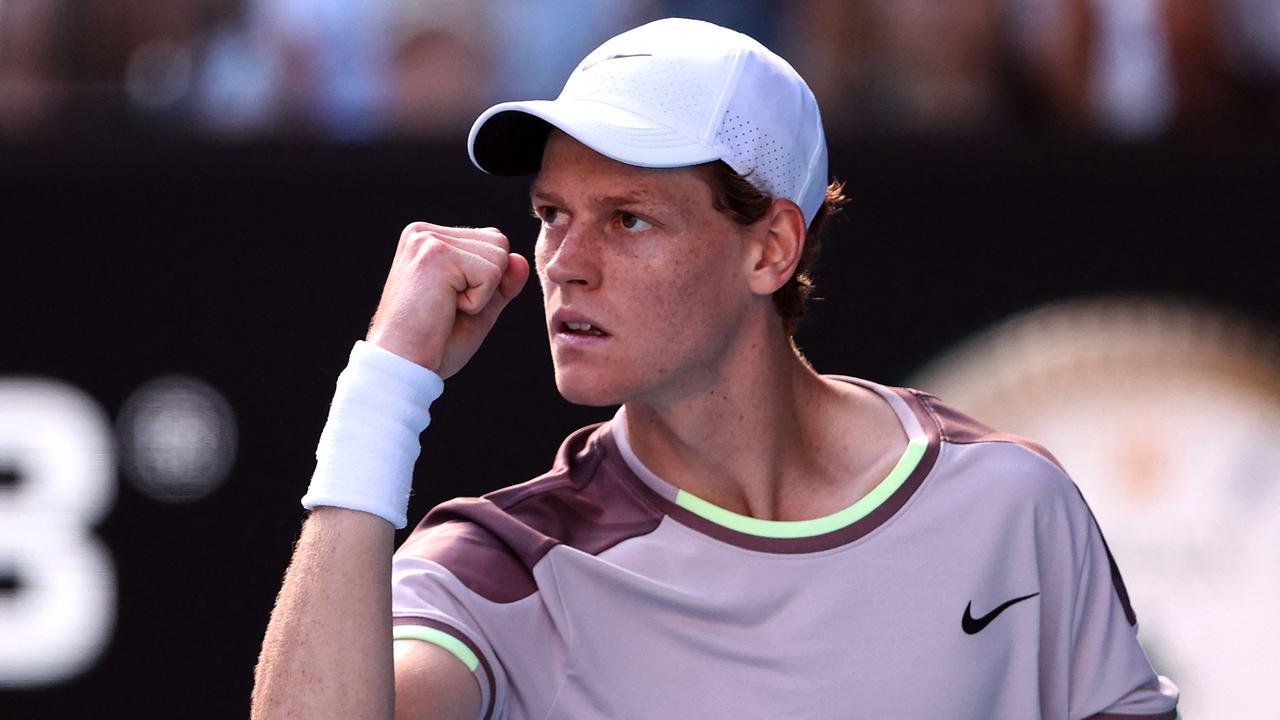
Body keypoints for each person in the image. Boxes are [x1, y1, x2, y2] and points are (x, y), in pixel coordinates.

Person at [251, 18, 1179, 720]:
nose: (565, 260)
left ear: (771, 249)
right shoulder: (503, 570)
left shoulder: (1011, 503)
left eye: (628, 219)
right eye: (551, 214)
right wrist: (384, 390)